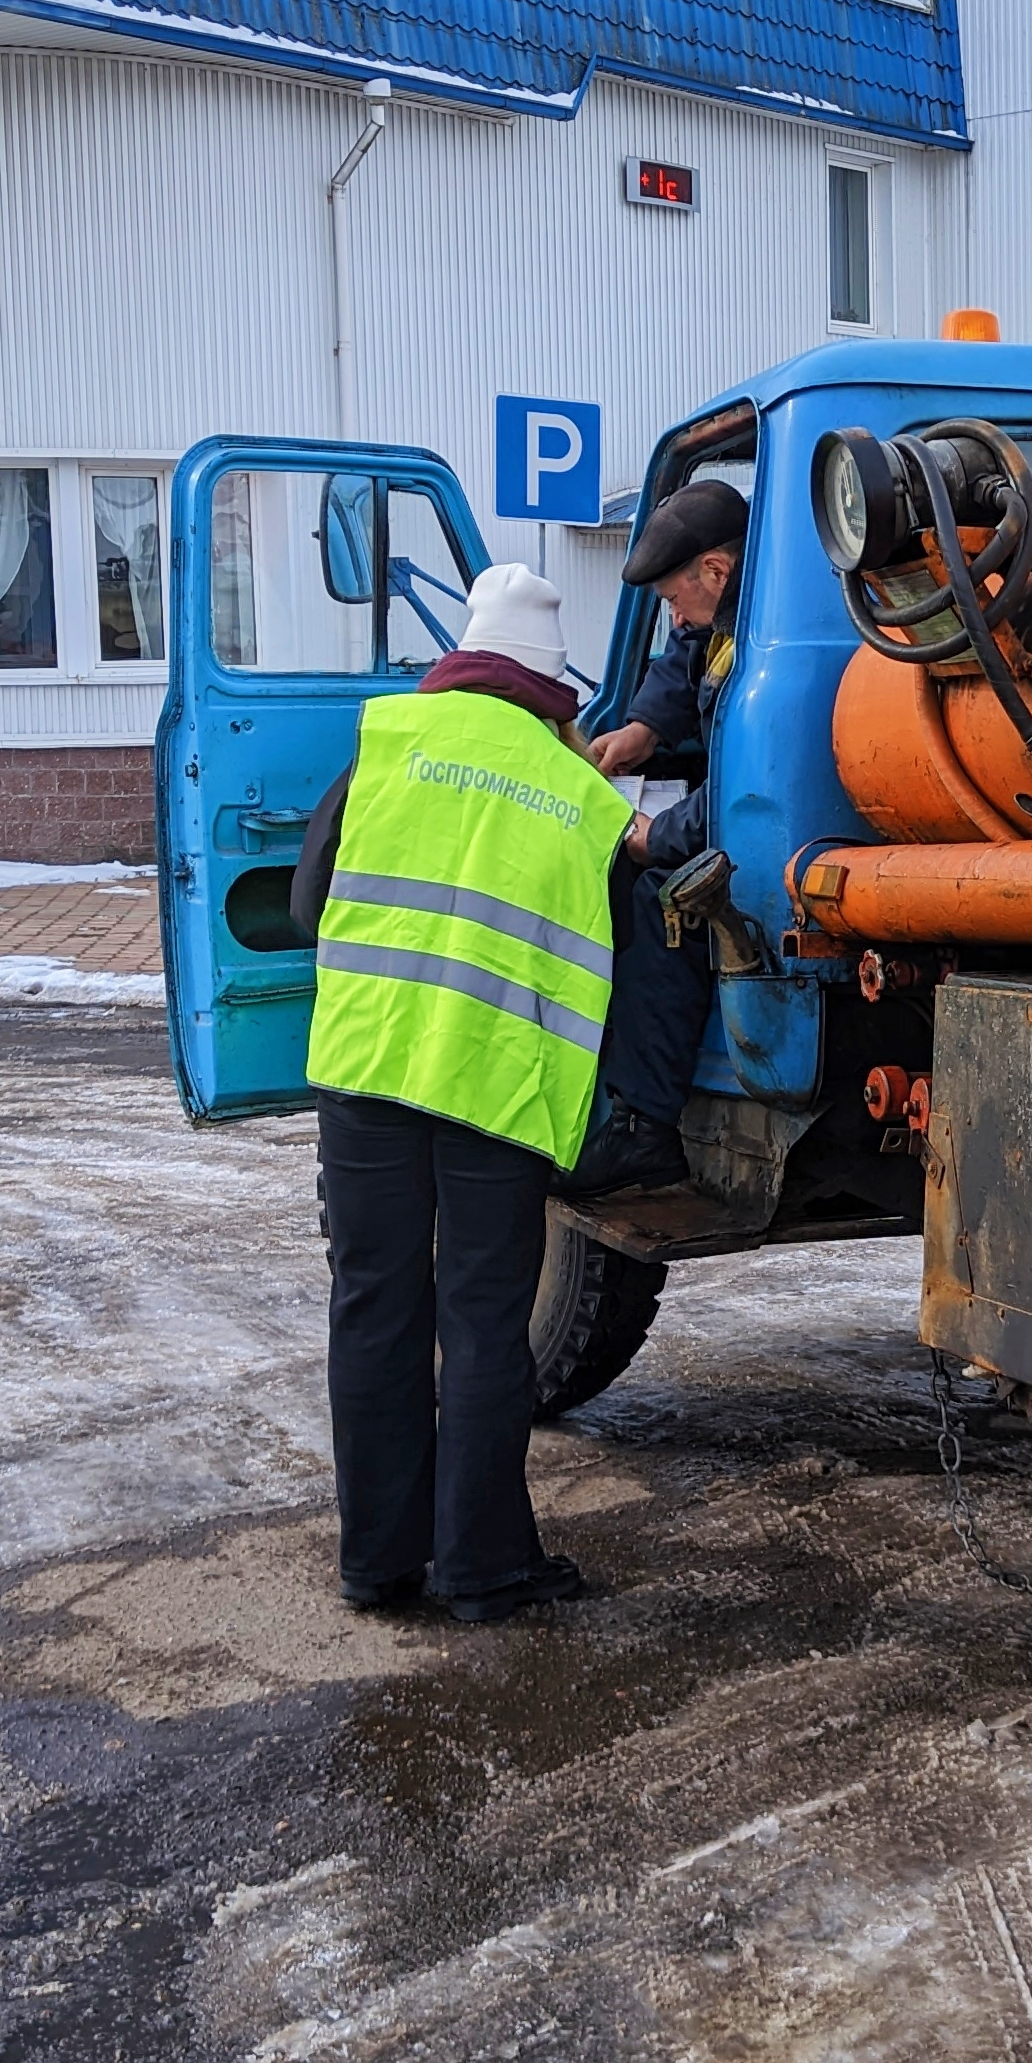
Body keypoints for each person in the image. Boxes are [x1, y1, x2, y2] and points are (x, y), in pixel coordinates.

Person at [287, 564, 631, 1623]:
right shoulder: (580, 794)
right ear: (549, 684)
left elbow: (307, 907)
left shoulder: (388, 744)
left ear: (461, 663)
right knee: (481, 1323)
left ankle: (377, 1566)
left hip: (369, 1068)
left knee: (374, 1306)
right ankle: (483, 1569)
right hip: (495, 1087)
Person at [566, 478, 745, 1197]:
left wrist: (656, 834)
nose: (673, 613)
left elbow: (751, 789)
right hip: (722, 811)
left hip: (751, 842)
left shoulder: (773, 641)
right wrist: (642, 729)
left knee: (656, 898)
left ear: (716, 571)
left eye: (674, 595)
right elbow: (689, 655)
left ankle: (645, 1126)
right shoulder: (734, 614)